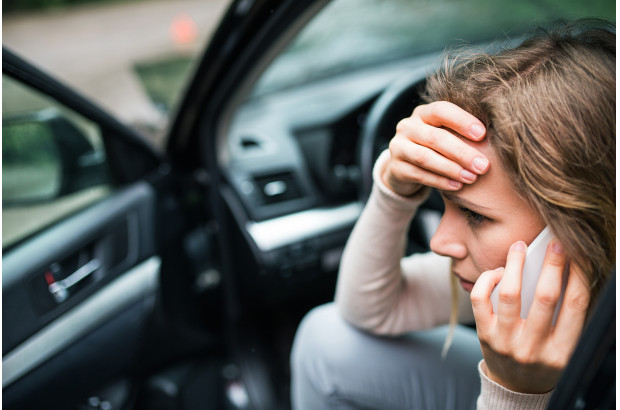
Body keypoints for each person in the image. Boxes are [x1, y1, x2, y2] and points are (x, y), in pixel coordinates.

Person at [290, 19, 615, 410]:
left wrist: (512, 396)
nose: (438, 242)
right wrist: (393, 188)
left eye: (476, 216)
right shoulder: (521, 279)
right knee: (327, 338)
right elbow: (373, 310)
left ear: (584, 226)